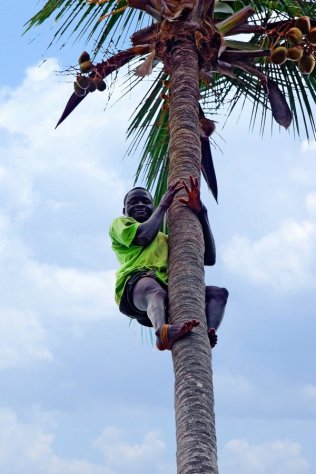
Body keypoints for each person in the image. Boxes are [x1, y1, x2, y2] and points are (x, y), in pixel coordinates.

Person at [109, 176, 228, 351]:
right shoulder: (121, 224)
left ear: (152, 207)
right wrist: (164, 206)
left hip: (166, 291)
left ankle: (206, 332)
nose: (140, 204)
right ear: (124, 209)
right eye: (133, 202)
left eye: (146, 202)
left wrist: (202, 212)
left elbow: (209, 258)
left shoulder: (165, 240)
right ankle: (161, 334)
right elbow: (143, 237)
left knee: (218, 293)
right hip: (134, 287)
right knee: (154, 289)